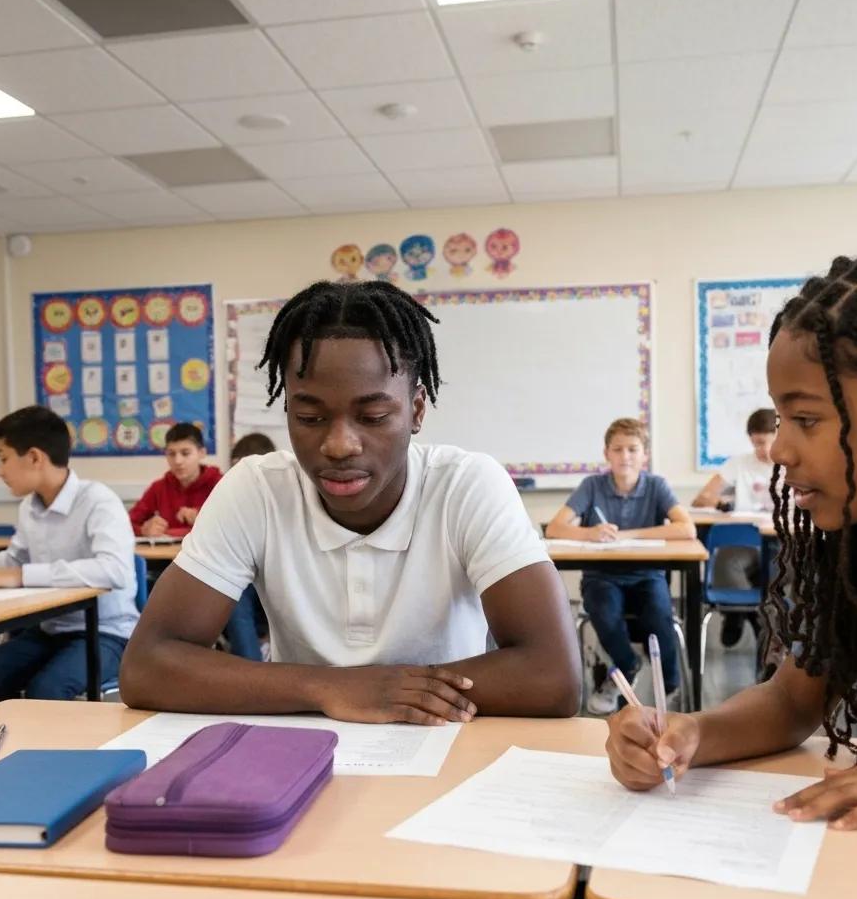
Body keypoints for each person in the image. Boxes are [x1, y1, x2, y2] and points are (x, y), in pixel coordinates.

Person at [120, 280, 580, 722]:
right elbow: (146, 668)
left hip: (449, 748)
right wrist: (331, 688)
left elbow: (553, 675)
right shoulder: (256, 490)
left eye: (374, 416)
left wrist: (390, 692)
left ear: (416, 410)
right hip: (300, 754)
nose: (339, 445)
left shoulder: (467, 486)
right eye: (310, 416)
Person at [607, 240, 857, 831]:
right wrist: (694, 732)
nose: (781, 449)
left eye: (807, 419)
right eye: (781, 420)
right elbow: (791, 701)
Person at [0, 406, 138, 710]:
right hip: (50, 631)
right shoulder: (30, 507)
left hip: (107, 632)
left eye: (3, 459)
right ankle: (14, 744)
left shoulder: (98, 501)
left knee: (47, 691)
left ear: (34, 457)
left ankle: (52, 753)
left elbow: (114, 570)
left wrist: (22, 575)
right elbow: (15, 559)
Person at [545, 418, 696, 715]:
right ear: (606, 454)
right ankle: (626, 669)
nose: (625, 456)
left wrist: (628, 534)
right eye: (617, 449)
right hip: (602, 577)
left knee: (659, 615)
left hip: (646, 575)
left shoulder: (656, 485)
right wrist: (589, 533)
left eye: (632, 449)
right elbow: (554, 528)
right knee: (604, 612)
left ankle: (671, 687)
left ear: (645, 455)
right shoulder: (592, 486)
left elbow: (687, 529)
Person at [692, 408, 777, 647]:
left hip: (781, 544)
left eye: (768, 442)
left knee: (781, 571)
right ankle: (741, 615)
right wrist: (723, 503)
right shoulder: (739, 464)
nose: (764, 450)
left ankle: (746, 616)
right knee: (725, 562)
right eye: (757, 444)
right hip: (745, 542)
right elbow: (701, 498)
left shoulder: (794, 463)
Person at [222, 433, 277, 661]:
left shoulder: (286, 502)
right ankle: (251, 664)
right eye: (235, 471)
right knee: (232, 586)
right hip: (242, 587)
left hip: (274, 590)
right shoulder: (228, 500)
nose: (241, 480)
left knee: (238, 590)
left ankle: (252, 663)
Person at [128, 422, 221, 538]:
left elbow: (232, 525)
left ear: (202, 453)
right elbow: (126, 523)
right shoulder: (158, 488)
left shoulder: (220, 485)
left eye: (185, 453)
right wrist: (143, 530)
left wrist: (206, 520)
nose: (177, 461)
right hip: (165, 555)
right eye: (171, 454)